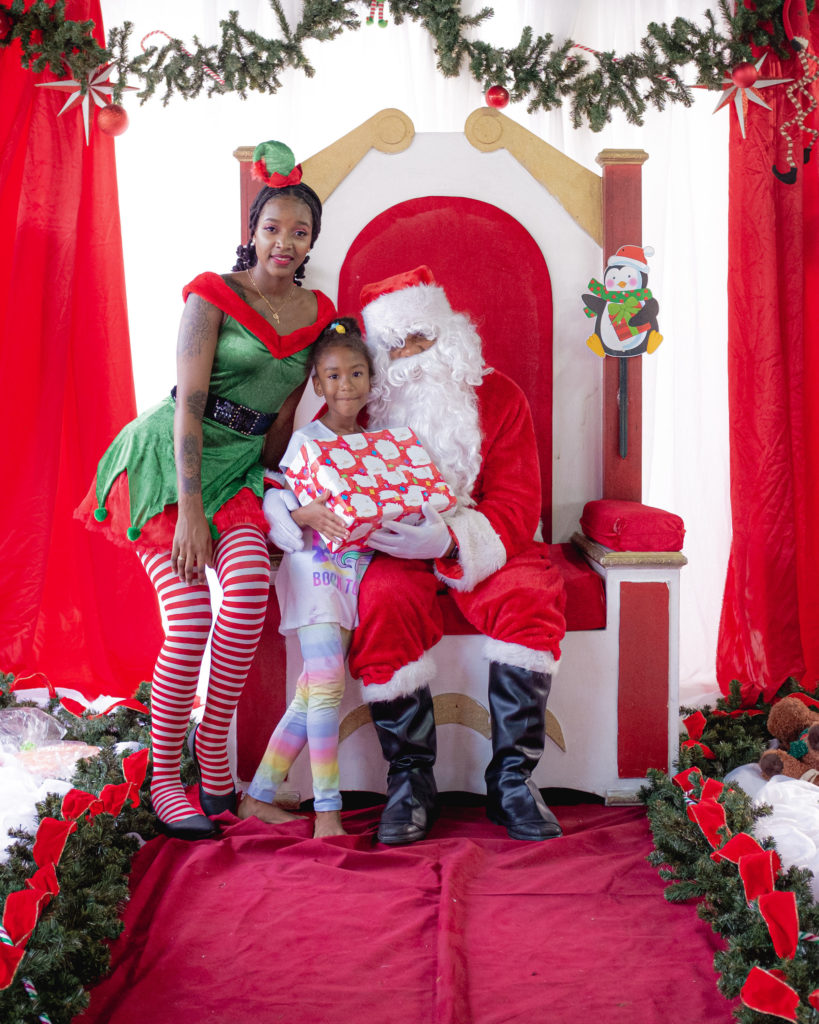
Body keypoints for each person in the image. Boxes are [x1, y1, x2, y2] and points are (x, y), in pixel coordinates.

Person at [76, 141, 336, 840]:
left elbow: (283, 419)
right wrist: (191, 514)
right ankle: (168, 779)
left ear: (311, 241)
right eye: (273, 228)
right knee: (190, 618)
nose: (284, 242)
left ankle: (216, 771)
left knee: (247, 595)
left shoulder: (318, 313)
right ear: (253, 231)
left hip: (241, 470)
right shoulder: (212, 294)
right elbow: (188, 406)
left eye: (299, 232)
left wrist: (279, 503)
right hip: (171, 466)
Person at [349, 265, 567, 845]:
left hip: (486, 538)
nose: (412, 354)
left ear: (448, 331)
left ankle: (513, 780)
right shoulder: (364, 407)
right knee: (383, 601)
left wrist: (449, 540)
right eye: (396, 345)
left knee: (528, 596)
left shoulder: (500, 396)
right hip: (396, 546)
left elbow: (518, 502)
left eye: (421, 336)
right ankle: (410, 779)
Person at [238, 318, 374, 838]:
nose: (346, 385)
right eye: (333, 376)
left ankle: (257, 798)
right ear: (317, 383)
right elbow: (276, 503)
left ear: (370, 378)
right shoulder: (304, 442)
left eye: (356, 373)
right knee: (328, 689)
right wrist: (302, 514)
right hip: (314, 572)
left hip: (353, 575)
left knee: (312, 691)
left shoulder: (379, 445)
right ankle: (328, 814)